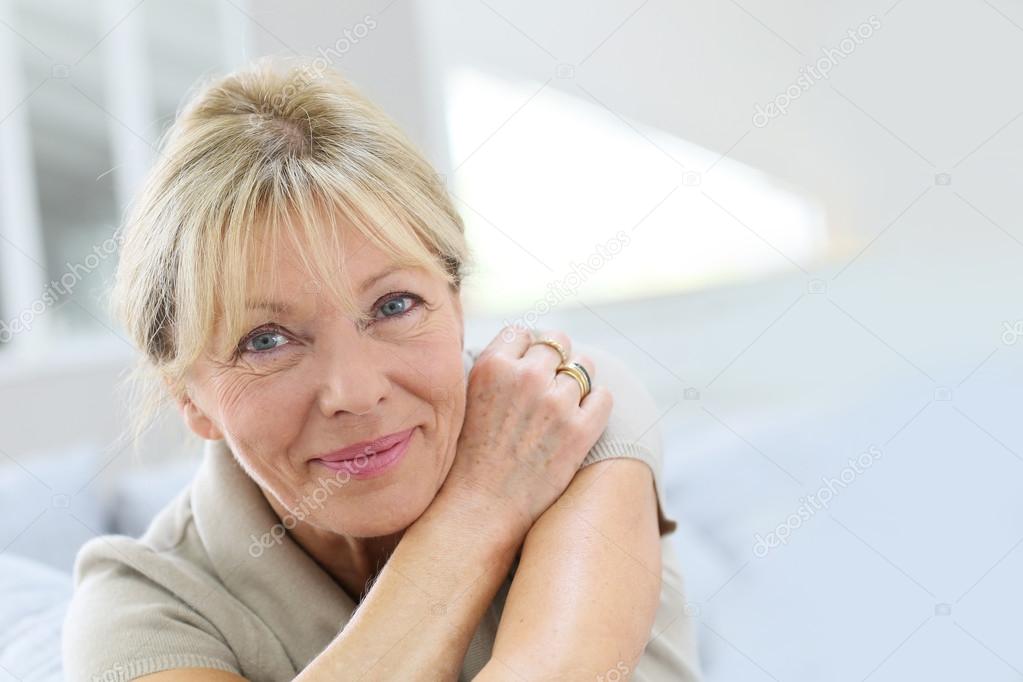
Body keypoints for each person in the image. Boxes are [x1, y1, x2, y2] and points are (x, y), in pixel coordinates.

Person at [61, 55, 702, 681]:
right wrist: (481, 504)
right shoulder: (141, 610)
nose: (357, 393)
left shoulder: (569, 407)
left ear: (456, 301)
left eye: (395, 305)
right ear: (190, 397)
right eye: (266, 340)